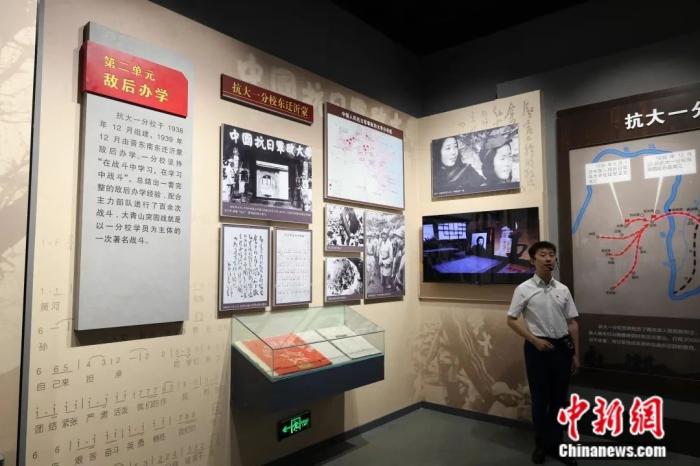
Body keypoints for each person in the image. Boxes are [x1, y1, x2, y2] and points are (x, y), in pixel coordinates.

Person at [506, 241, 579, 465]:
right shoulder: (524, 289)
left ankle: (556, 445)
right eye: (543, 255)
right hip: (537, 349)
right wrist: (534, 340)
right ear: (532, 260)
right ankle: (540, 445)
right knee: (540, 400)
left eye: (552, 255)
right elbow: (511, 320)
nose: (548, 258)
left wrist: (575, 354)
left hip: (562, 348)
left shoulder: (562, 289)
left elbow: (572, 323)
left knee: (559, 400)